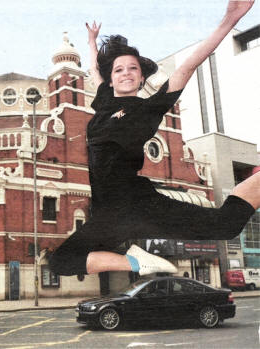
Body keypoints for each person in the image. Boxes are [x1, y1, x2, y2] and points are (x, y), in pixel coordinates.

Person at [49, 0, 258, 277]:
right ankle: (136, 262)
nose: (126, 73)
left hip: (139, 204)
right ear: (111, 79)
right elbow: (95, 71)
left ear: (140, 77)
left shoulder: (147, 109)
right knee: (61, 262)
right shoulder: (104, 102)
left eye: (133, 69)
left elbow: (188, 67)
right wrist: (91, 42)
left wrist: (228, 21)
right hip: (106, 214)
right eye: (119, 69)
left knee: (226, 226)